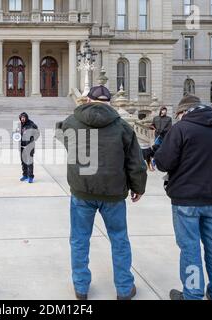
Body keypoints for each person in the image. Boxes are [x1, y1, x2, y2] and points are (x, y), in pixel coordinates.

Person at [56, 86, 147, 300]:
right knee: (119, 240)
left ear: (88, 100)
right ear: (110, 102)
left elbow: (62, 137)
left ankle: (81, 288)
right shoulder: (123, 127)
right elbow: (136, 163)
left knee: (79, 240)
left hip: (82, 190)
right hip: (113, 193)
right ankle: (124, 289)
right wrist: (138, 187)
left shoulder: (71, 122)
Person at [154, 94, 212, 300]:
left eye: (178, 114)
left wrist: (158, 151)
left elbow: (163, 162)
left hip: (187, 199)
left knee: (190, 248)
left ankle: (193, 294)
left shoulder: (181, 128)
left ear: (183, 112)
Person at [18, 112, 40, 184]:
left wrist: (33, 139)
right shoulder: (20, 125)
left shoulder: (31, 124)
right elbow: (17, 133)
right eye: (21, 118)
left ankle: (30, 177)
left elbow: (37, 133)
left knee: (29, 162)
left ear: (26, 118)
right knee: (23, 162)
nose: (22, 119)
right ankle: (25, 175)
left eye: (24, 117)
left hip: (29, 146)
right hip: (22, 146)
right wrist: (15, 135)